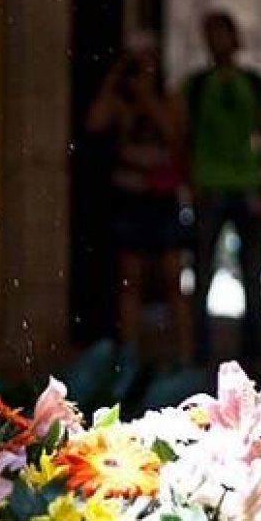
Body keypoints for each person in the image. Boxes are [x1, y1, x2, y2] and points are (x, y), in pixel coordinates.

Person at [86, 39, 189, 361]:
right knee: (130, 281)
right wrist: (114, 78)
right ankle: (129, 356)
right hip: (132, 198)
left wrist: (148, 99)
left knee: (172, 280)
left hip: (163, 198)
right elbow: (94, 122)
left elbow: (175, 136)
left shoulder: (169, 100)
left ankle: (183, 355)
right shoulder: (121, 103)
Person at [182, 11, 261, 369]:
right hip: (210, 186)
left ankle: (254, 349)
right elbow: (184, 138)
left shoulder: (255, 84)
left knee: (252, 273)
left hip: (247, 184)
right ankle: (200, 350)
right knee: (202, 273)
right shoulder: (196, 86)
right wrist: (192, 182)